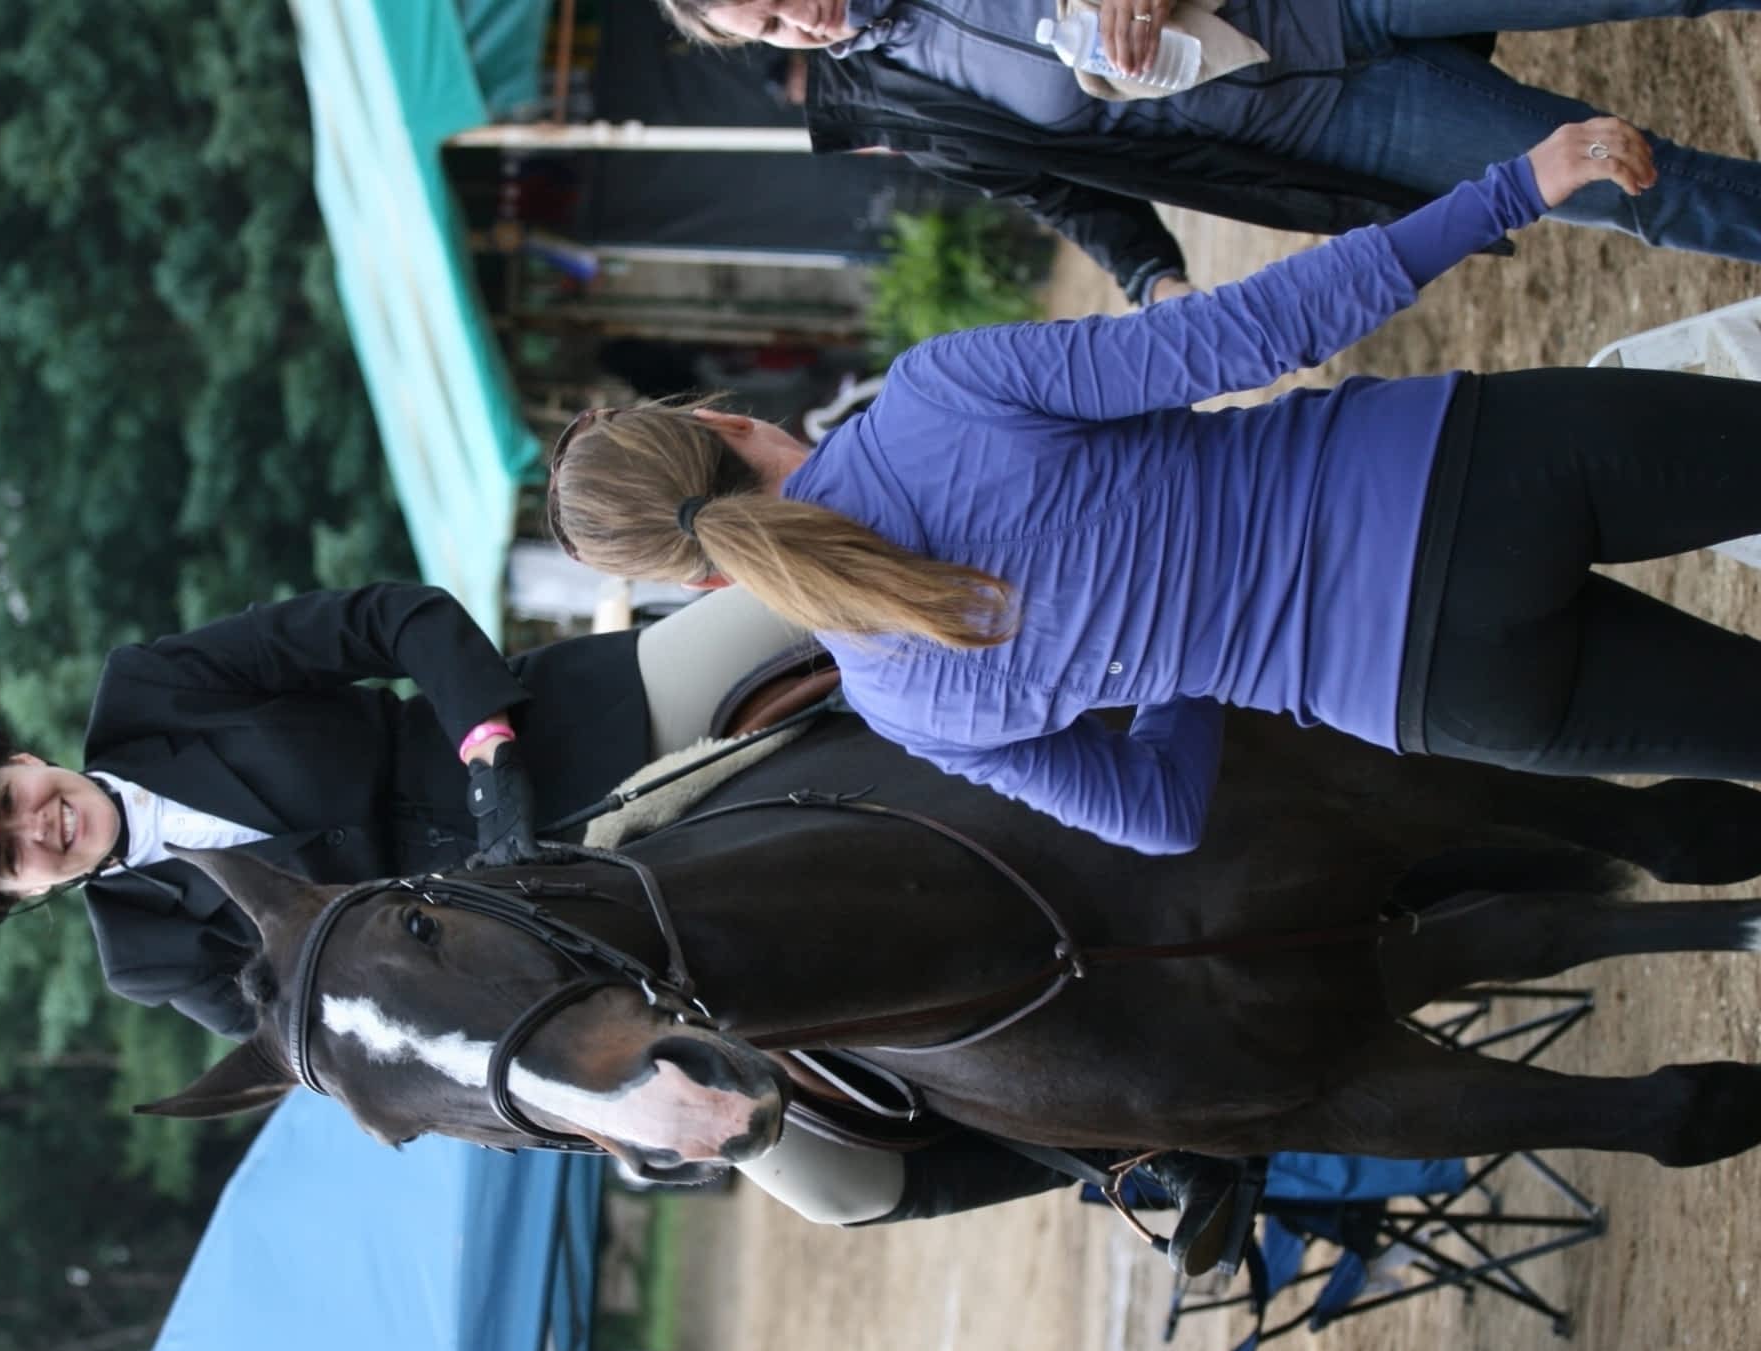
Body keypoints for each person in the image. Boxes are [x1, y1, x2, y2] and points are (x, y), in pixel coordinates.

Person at [0, 580, 1243, 1267]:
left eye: (14, 799)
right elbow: (383, 1052)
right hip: (586, 953)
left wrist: (481, 733)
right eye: (15, 862)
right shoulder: (155, 957)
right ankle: (1124, 1158)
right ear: (26, 902)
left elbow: (388, 616)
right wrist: (594, 1110)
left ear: (20, 756)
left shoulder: (156, 689)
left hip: (576, 744)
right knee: (838, 1188)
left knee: (798, 594)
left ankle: (1154, 610)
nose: (38, 830)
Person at [548, 123, 1761, 857]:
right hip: (1458, 479)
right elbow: (1250, 334)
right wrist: (1509, 190)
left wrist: (1170, 654)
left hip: (1434, 693)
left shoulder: (904, 708)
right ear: (719, 420)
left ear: (702, 580)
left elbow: (1162, 817)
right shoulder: (935, 397)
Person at [655, 0, 1761, 305]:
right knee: (1630, 191)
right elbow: (1051, 187)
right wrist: (1150, 274)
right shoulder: (894, 99)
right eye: (769, 27)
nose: (802, 17)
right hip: (1326, 126)